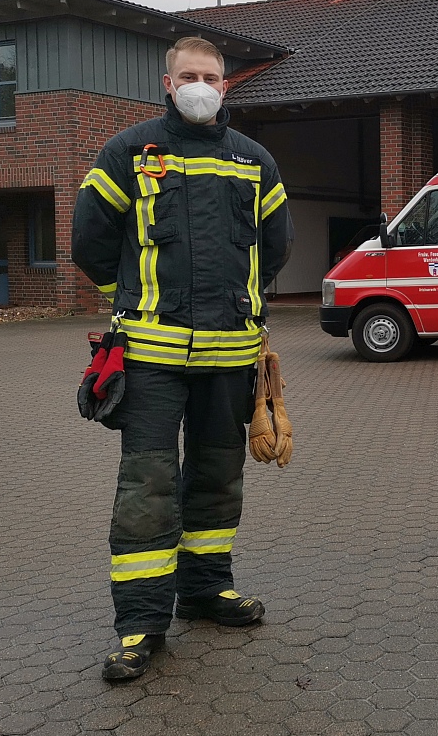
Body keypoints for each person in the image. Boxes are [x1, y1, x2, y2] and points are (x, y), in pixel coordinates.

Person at [72, 36, 293, 680]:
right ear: (168, 84)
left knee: (219, 475)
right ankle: (140, 623)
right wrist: (129, 299)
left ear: (227, 87)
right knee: (148, 484)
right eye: (189, 75)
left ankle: (205, 590)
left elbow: (274, 247)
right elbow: (91, 240)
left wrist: (238, 301)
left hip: (230, 353)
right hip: (150, 353)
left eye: (213, 77)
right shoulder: (129, 152)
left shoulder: (255, 161)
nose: (202, 85)